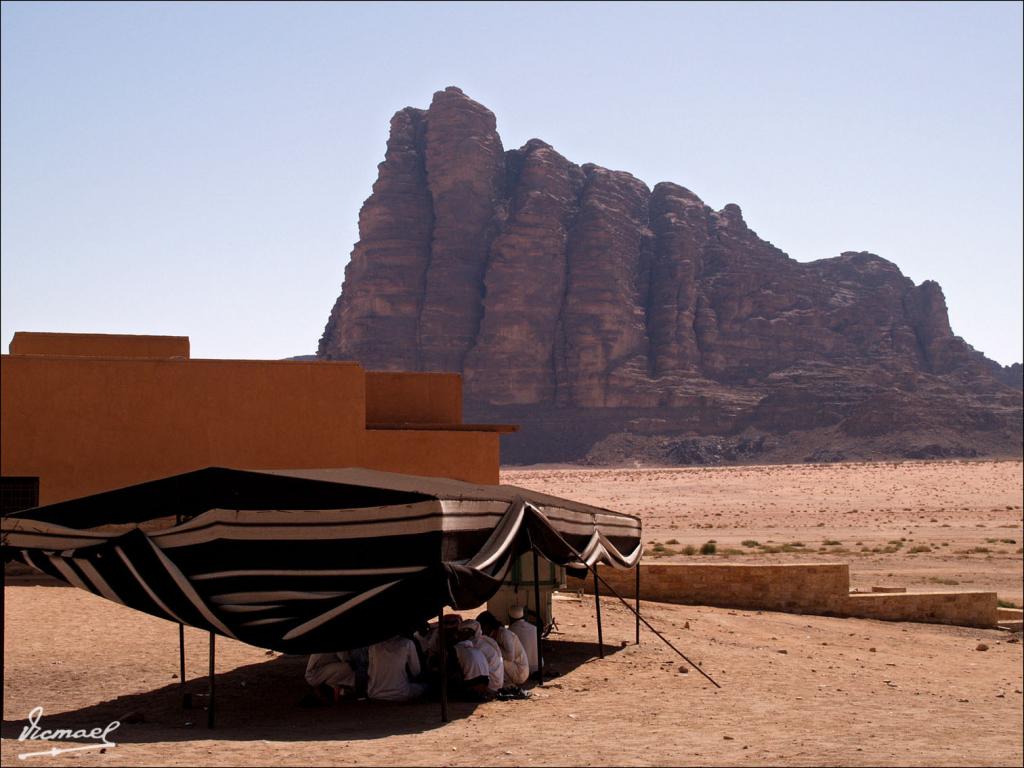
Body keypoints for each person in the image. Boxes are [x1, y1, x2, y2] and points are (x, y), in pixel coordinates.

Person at [367, 634, 427, 701]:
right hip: (400, 692)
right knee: (425, 687)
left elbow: (370, 672)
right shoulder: (408, 643)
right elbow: (416, 671)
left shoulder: (373, 646)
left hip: (374, 693)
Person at [476, 610, 529, 686]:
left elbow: (510, 657)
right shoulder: (494, 635)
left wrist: (494, 645)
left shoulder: (504, 634)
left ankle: (503, 683)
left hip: (520, 672)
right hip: (514, 669)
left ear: (487, 626)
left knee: (495, 657)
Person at [460, 619, 503, 692]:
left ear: (473, 631)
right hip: (498, 683)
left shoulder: (475, 644)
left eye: (466, 631)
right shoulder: (484, 640)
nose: (462, 634)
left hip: (491, 685)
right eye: (462, 631)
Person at [450, 625, 491, 700]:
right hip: (484, 685)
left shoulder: (456, 649)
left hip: (472, 685)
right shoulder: (476, 649)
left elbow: (450, 669)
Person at [507, 605, 539, 674]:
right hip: (538, 666)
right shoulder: (534, 628)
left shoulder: (510, 631)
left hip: (523, 669)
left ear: (510, 618)